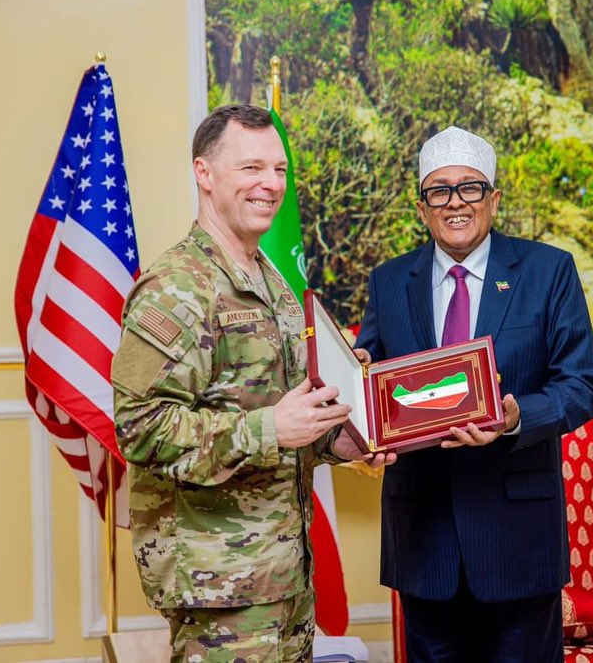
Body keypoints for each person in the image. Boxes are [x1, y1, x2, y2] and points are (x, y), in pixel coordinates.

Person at [111, 104, 393, 663]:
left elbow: (288, 420)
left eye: (280, 170)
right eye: (252, 168)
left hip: (285, 577)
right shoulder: (175, 289)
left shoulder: (275, 285)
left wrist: (343, 432)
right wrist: (270, 427)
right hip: (219, 587)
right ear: (204, 173)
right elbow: (139, 429)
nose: (271, 184)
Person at [355, 126, 593, 662]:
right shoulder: (388, 282)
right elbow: (366, 381)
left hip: (518, 539)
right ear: (422, 208)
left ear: (493, 198)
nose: (455, 203)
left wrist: (515, 418)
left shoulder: (548, 270)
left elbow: (581, 386)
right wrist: (355, 389)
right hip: (423, 538)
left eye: (470, 188)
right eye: (439, 191)